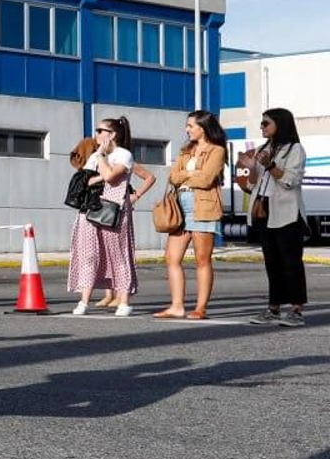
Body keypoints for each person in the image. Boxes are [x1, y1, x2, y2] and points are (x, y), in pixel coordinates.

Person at [68, 116, 154, 316]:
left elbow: (110, 176)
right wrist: (100, 163)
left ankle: (124, 302)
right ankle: (84, 301)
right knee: (89, 254)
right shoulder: (95, 155)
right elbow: (84, 182)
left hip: (115, 210)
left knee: (119, 254)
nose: (96, 134)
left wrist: (135, 195)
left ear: (112, 134)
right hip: (91, 208)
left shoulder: (123, 155)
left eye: (100, 131)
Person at [155, 110, 226, 320]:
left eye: (191, 126)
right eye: (187, 126)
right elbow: (173, 177)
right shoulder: (185, 150)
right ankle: (177, 306)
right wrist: (189, 173)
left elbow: (206, 180)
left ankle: (200, 308)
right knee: (171, 257)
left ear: (203, 128)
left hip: (203, 205)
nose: (187, 129)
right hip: (180, 205)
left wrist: (185, 176)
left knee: (202, 259)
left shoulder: (216, 150)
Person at [249, 108, 308, 327]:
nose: (262, 127)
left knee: (291, 262)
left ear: (280, 124)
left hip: (286, 212)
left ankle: (296, 309)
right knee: (271, 262)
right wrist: (251, 167)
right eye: (262, 123)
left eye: (266, 123)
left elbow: (290, 181)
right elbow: (252, 184)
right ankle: (273, 308)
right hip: (263, 210)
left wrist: (269, 165)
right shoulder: (262, 148)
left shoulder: (295, 149)